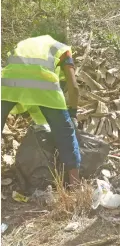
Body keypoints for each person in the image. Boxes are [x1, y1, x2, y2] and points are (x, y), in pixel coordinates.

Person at [1, 33, 81, 185]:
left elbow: (24, 89)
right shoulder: (62, 49)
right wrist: (73, 113)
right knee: (66, 134)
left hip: (7, 84)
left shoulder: (24, 44)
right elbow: (74, 87)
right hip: (44, 83)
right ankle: (75, 186)